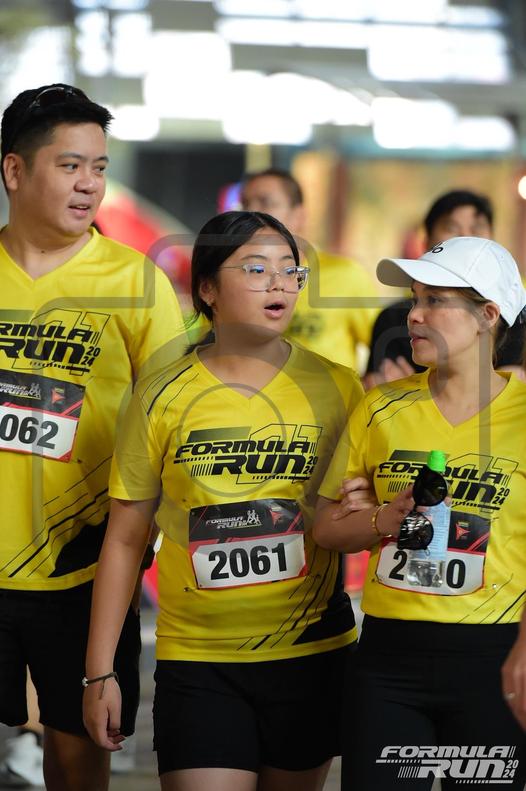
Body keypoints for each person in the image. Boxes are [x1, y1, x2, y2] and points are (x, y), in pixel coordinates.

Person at [83, 210, 365, 791]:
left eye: (290, 271)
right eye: (257, 269)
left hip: (310, 654)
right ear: (208, 288)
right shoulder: (160, 393)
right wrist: (99, 673)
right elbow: (126, 540)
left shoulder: (339, 387)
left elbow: (352, 515)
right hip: (198, 661)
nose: (279, 284)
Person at [0, 83, 185, 791]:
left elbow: (171, 427)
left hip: (82, 572)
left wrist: (142, 538)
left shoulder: (136, 283)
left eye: (99, 168)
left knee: (77, 763)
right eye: (71, 165)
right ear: (15, 171)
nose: (89, 184)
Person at [314, 236, 526, 790]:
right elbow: (326, 527)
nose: (414, 315)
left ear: (487, 315)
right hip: (388, 660)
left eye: (435, 300)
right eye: (414, 299)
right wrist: (383, 519)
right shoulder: (380, 407)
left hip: (496, 657)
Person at [241, 168, 378, 371]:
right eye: (245, 204)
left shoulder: (345, 275)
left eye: (265, 202)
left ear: (299, 215)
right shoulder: (236, 278)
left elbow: (382, 345)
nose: (251, 213)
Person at [364, 189, 496, 386]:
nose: (465, 238)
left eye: (476, 229)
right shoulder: (391, 320)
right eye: (451, 228)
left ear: (488, 315)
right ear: (426, 242)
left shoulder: (518, 323)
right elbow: (380, 386)